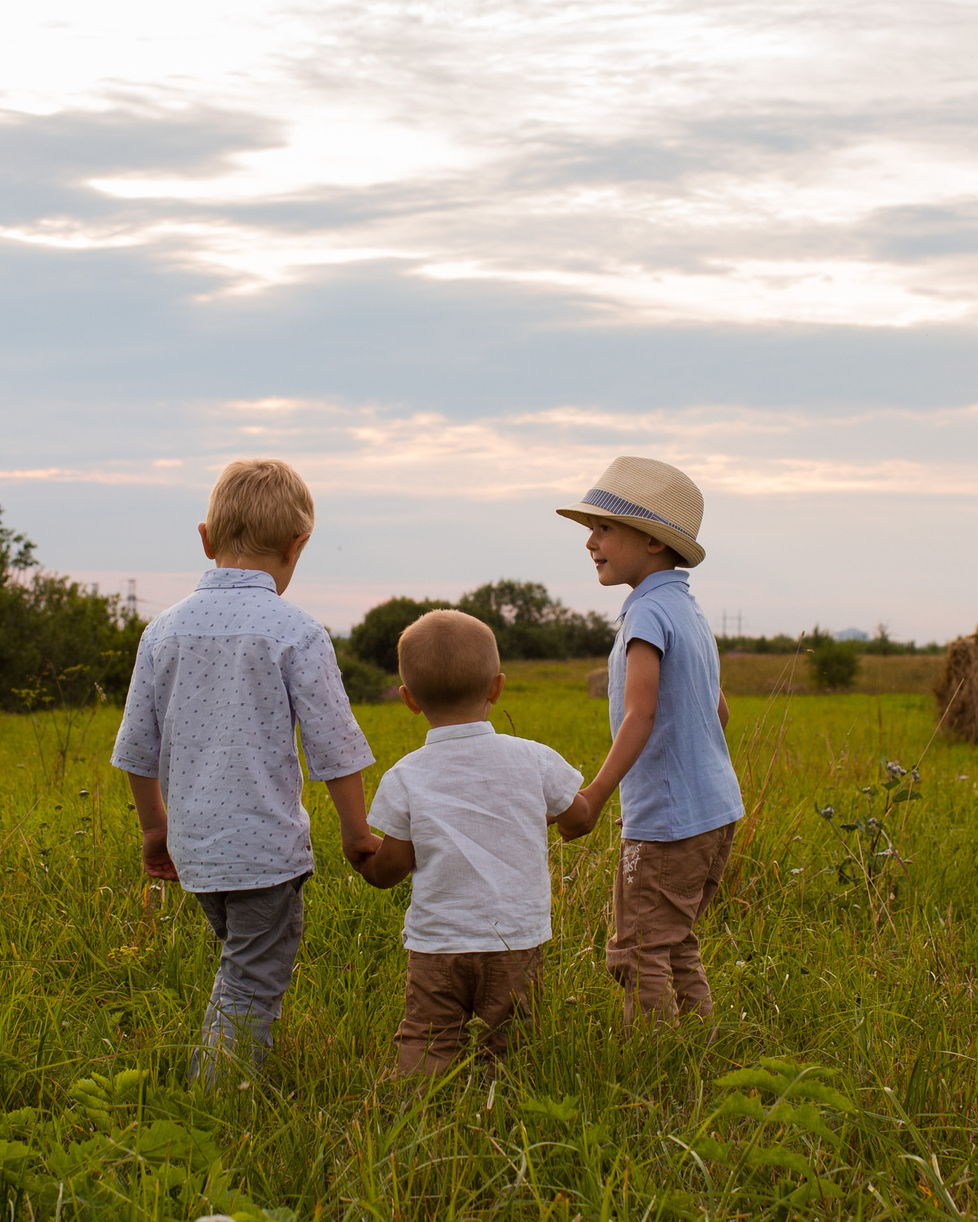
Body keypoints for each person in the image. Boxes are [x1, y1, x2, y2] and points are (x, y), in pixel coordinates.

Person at [110, 458, 379, 1079]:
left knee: (240, 964)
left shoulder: (162, 632)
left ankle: (221, 1078)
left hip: (197, 850)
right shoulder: (297, 632)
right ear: (298, 544)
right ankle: (218, 1102)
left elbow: (136, 750)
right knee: (252, 981)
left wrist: (156, 832)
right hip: (266, 853)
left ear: (205, 538)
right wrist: (356, 833)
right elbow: (334, 747)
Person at [354, 609, 588, 1075]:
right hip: (516, 939)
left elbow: (392, 867)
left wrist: (363, 861)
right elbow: (578, 818)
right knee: (513, 1043)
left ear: (409, 700)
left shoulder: (406, 775)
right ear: (496, 688)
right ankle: (500, 1111)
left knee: (429, 1038)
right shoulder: (532, 759)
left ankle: (420, 1111)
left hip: (439, 942)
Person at [557, 456, 744, 1025]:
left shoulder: (645, 617)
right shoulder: (688, 612)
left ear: (655, 542)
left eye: (605, 528)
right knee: (672, 939)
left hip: (672, 822)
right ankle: (696, 1045)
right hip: (713, 812)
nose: (590, 541)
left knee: (638, 952)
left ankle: (657, 1060)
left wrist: (595, 796)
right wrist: (658, 794)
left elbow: (641, 713)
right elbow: (718, 711)